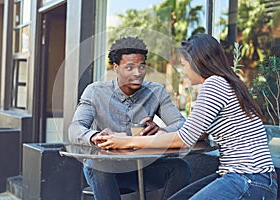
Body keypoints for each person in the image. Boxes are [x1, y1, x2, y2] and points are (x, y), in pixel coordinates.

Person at [95, 33, 278, 199]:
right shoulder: (227, 83)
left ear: (198, 62)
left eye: (184, 65)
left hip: (249, 178)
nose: (183, 71)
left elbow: (184, 139)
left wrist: (126, 142)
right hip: (248, 178)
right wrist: (162, 131)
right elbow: (197, 134)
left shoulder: (215, 84)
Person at [68, 36, 190, 200]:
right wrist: (95, 137)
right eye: (130, 67)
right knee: (98, 164)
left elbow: (181, 124)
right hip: (105, 170)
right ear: (116, 67)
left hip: (143, 168)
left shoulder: (157, 91)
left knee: (180, 167)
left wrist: (162, 131)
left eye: (141, 66)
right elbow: (75, 129)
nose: (138, 73)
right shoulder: (95, 91)